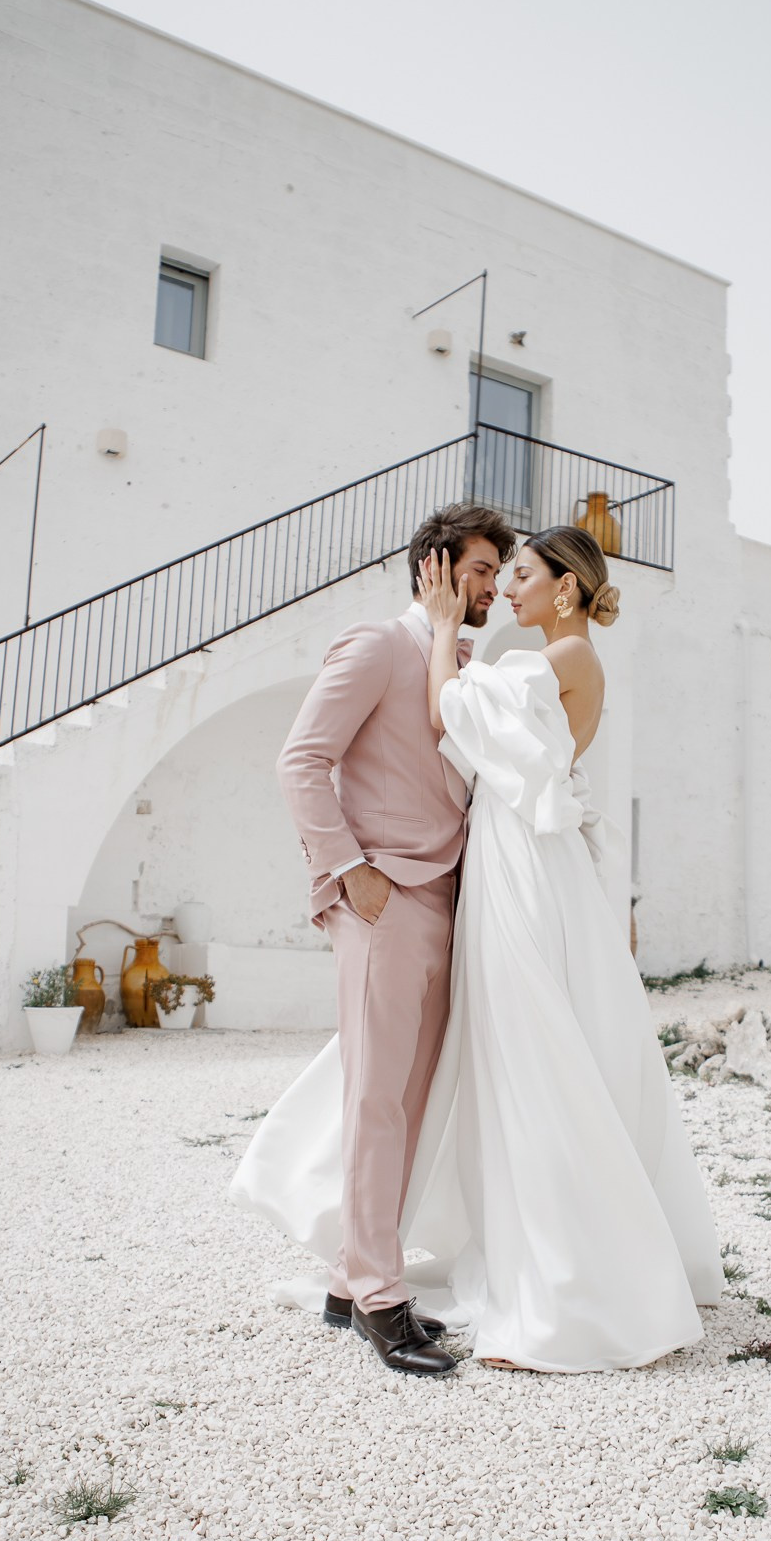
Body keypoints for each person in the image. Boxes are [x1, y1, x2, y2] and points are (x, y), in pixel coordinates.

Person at [403, 526, 723, 1370]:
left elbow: (447, 711)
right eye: (504, 576)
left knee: (531, 1048)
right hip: (516, 850)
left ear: (567, 587)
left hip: (523, 859)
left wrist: (443, 629)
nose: (508, 590)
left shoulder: (567, 655)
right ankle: (541, 1264)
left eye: (522, 576)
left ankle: (562, 1289)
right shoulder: (546, 658)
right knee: (514, 1047)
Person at [231, 502, 517, 1377]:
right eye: (479, 570)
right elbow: (300, 760)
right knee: (376, 1102)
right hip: (382, 899)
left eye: (497, 573)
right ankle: (379, 1300)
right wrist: (349, 869)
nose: (493, 587)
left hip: (449, 902)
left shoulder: (461, 665)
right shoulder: (375, 646)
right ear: (433, 567)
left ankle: (347, 1279)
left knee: (413, 1103)